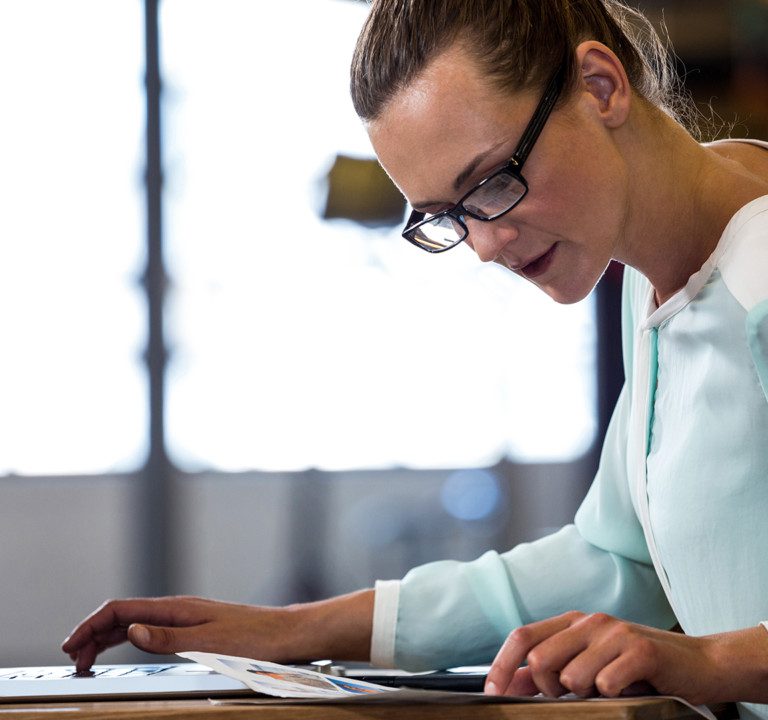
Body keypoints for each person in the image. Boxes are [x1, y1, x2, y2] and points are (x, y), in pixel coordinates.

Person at [62, 0, 768, 717]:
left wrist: (713, 660)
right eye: (447, 217)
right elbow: (619, 558)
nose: (484, 246)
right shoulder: (653, 281)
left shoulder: (758, 277)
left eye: (492, 183)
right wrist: (293, 629)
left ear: (600, 87)